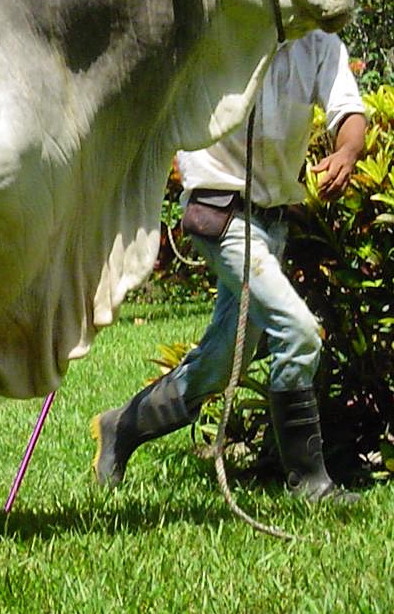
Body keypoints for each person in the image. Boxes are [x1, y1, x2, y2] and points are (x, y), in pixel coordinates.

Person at [91, 29, 368, 502]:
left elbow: (349, 113)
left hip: (272, 225)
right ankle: (309, 482)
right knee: (298, 332)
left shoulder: (321, 45)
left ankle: (122, 426)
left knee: (222, 362)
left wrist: (346, 152)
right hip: (219, 213)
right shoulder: (224, 26)